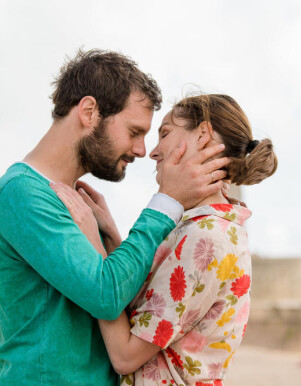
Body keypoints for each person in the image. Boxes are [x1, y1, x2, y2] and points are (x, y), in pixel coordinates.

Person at [0, 50, 230, 385]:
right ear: (88, 112)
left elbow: (120, 299)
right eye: (134, 131)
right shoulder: (20, 194)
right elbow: (106, 295)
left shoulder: (80, 204)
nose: (142, 150)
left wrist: (113, 236)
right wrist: (167, 202)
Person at [53, 94, 277, 385]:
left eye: (166, 133)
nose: (153, 152)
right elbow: (151, 310)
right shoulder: (205, 226)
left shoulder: (206, 237)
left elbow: (125, 356)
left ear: (203, 135)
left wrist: (92, 245)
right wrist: (110, 236)